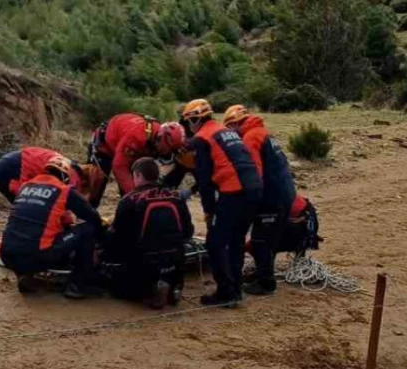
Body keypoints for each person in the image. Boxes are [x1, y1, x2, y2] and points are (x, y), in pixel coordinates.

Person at [182, 98, 262, 306]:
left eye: (188, 122)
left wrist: (209, 211)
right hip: (254, 188)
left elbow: (206, 181)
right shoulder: (225, 131)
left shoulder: (202, 138)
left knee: (215, 242)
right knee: (235, 240)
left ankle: (226, 292)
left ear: (194, 119)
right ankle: (235, 289)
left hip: (235, 191)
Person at [0, 155, 105, 299]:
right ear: (66, 175)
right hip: (37, 255)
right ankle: (78, 285)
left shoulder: (26, 186)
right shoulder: (64, 190)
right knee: (87, 229)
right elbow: (92, 217)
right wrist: (103, 237)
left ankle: (25, 274)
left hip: (7, 255)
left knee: (32, 232)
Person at [222, 105, 297, 296]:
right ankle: (261, 274)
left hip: (272, 196)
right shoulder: (262, 132)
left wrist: (247, 200)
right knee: (266, 239)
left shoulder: (250, 138)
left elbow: (255, 173)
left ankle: (266, 283)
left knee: (260, 241)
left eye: (230, 128)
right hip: (284, 191)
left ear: (236, 123)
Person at [103, 158, 194, 308]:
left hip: (146, 261)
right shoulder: (176, 197)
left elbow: (117, 237)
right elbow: (188, 231)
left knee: (114, 284)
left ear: (138, 176)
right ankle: (170, 286)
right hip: (175, 259)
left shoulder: (130, 200)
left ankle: (151, 289)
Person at [87, 114, 185, 206]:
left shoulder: (155, 138)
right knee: (95, 190)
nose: (168, 154)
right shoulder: (137, 137)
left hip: (127, 147)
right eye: (169, 150)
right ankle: (86, 217)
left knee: (130, 193)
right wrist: (137, 196)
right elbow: (119, 167)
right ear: (161, 139)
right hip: (103, 146)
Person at [0, 147, 99, 204]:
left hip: (5, 163)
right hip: (13, 170)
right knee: (30, 208)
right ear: (85, 182)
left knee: (23, 209)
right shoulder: (72, 177)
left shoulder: (67, 164)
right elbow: (59, 201)